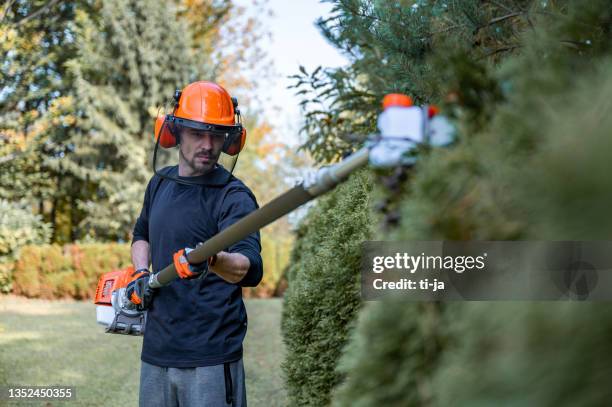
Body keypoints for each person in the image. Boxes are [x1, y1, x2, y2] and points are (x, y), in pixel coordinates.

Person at [127, 81, 263, 407]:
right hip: (156, 351)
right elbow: (141, 234)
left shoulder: (233, 196)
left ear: (230, 140)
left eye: (217, 134)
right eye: (198, 133)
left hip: (210, 355)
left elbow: (249, 266)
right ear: (175, 132)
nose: (208, 144)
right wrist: (140, 272)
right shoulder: (160, 183)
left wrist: (212, 259)